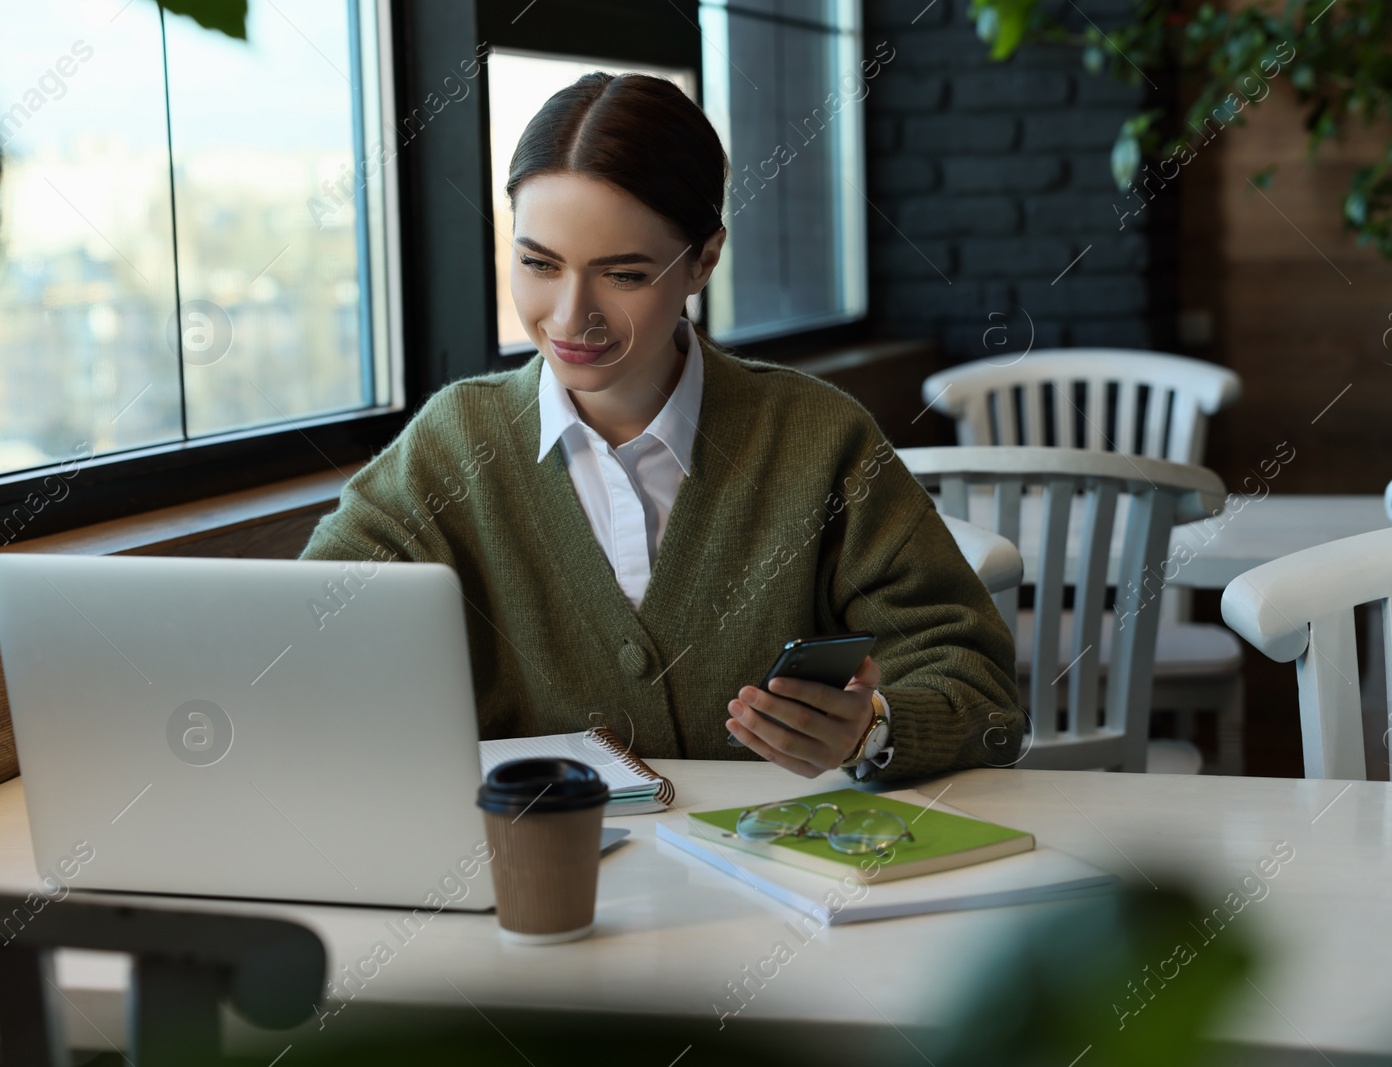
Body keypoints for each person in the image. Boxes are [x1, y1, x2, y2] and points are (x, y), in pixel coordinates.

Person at [299, 71, 1022, 782]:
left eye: (624, 275)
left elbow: (982, 694)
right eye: (537, 263)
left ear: (704, 259)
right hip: (544, 881)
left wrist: (872, 729)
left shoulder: (819, 438)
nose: (569, 316)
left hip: (781, 883)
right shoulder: (452, 442)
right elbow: (301, 640)